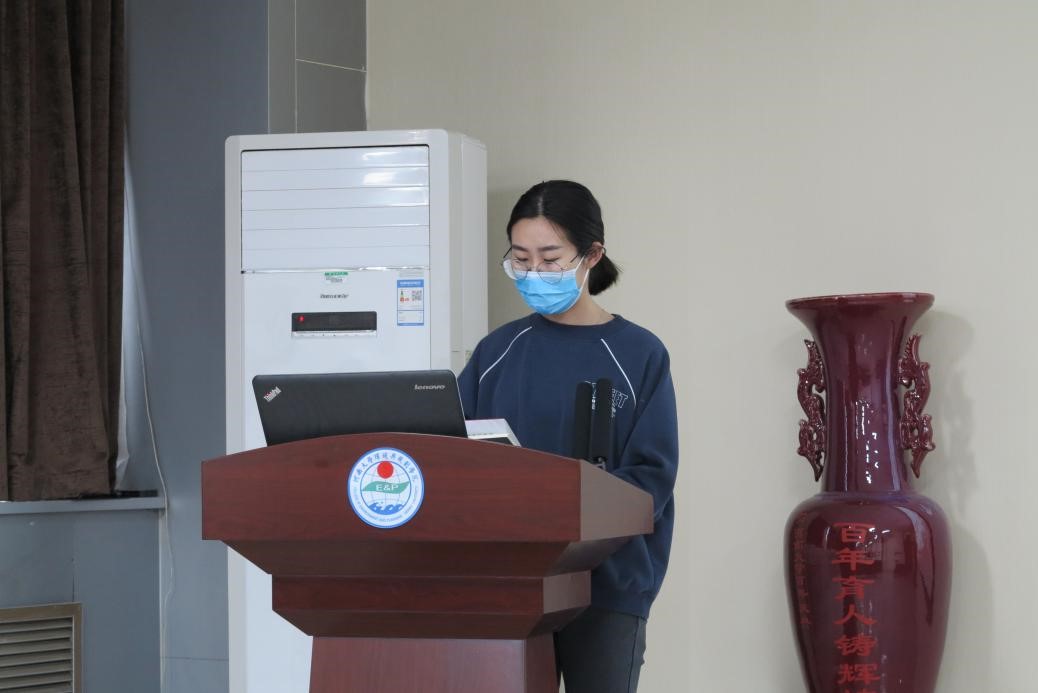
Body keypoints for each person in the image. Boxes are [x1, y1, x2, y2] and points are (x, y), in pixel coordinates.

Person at [457, 180, 678, 693]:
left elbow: (651, 479)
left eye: (551, 259)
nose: (534, 273)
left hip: (607, 588)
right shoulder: (497, 352)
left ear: (592, 255)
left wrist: (568, 517)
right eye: (521, 259)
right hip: (510, 583)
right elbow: (452, 453)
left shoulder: (639, 354)